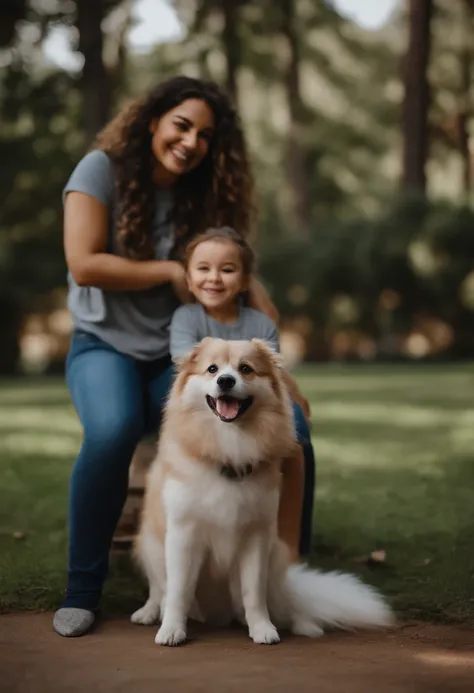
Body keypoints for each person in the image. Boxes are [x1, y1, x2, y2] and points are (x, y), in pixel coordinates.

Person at [55, 75, 313, 639]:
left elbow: (238, 275)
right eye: (181, 125)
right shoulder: (101, 169)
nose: (191, 141)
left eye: (204, 134)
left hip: (181, 359)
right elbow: (83, 264)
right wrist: (172, 272)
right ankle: (83, 589)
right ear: (152, 120)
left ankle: (284, 575)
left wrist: (281, 375)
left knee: (290, 432)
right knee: (113, 429)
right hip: (106, 345)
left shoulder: (202, 191)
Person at [170, 225, 315, 557]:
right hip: (209, 399)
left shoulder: (260, 324)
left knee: (300, 439)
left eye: (228, 269)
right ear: (189, 280)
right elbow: (186, 366)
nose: (214, 278)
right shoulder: (186, 319)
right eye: (203, 269)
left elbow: (273, 374)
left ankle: (292, 547)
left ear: (246, 280)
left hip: (254, 398)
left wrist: (297, 396)